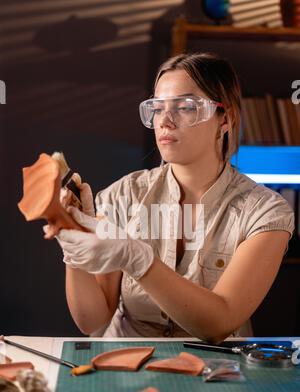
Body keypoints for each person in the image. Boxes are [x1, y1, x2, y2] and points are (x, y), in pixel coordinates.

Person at [52, 52, 294, 341]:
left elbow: (219, 322)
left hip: (216, 373)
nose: (165, 121)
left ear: (225, 118)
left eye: (186, 107)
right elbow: (92, 320)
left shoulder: (266, 212)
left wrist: (137, 258)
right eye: (157, 108)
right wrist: (73, 240)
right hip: (125, 367)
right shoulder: (122, 196)